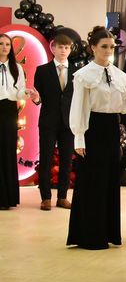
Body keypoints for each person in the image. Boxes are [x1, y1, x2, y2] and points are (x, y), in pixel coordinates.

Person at [67, 26, 126, 250]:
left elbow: (124, 105)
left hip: (111, 130)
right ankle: (89, 235)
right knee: (92, 181)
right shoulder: (84, 75)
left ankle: (108, 232)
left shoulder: (118, 74)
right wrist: (79, 137)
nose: (109, 50)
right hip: (92, 130)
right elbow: (79, 107)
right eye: (104, 46)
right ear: (93, 47)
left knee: (110, 180)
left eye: (111, 47)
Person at [32, 34, 78, 211]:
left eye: (67, 47)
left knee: (67, 161)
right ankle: (45, 198)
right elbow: (38, 98)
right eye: (60, 47)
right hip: (48, 122)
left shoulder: (77, 71)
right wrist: (36, 99)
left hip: (68, 123)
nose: (63, 50)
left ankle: (62, 197)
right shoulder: (42, 70)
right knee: (45, 159)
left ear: (70, 50)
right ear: (53, 48)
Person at [0, 34, 37, 210]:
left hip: (8, 110)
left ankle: (7, 197)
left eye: (7, 44)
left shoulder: (17, 68)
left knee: (8, 149)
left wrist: (27, 93)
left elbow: (19, 92)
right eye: (1, 43)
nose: (4, 47)